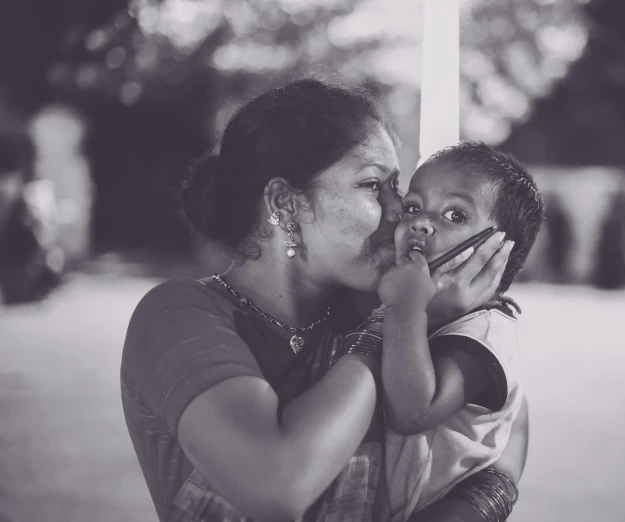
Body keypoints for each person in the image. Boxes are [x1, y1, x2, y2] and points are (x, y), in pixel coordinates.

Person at [120, 79, 527, 522]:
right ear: (285, 203)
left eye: (397, 189)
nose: (398, 212)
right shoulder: (177, 315)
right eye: (373, 186)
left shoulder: (370, 310)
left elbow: (507, 425)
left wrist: (490, 493)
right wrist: (393, 319)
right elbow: (278, 485)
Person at [374, 143, 543, 521]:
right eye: (413, 207)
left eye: (454, 214)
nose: (419, 222)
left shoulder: (483, 337)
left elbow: (413, 412)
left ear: (498, 252)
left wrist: (406, 309)